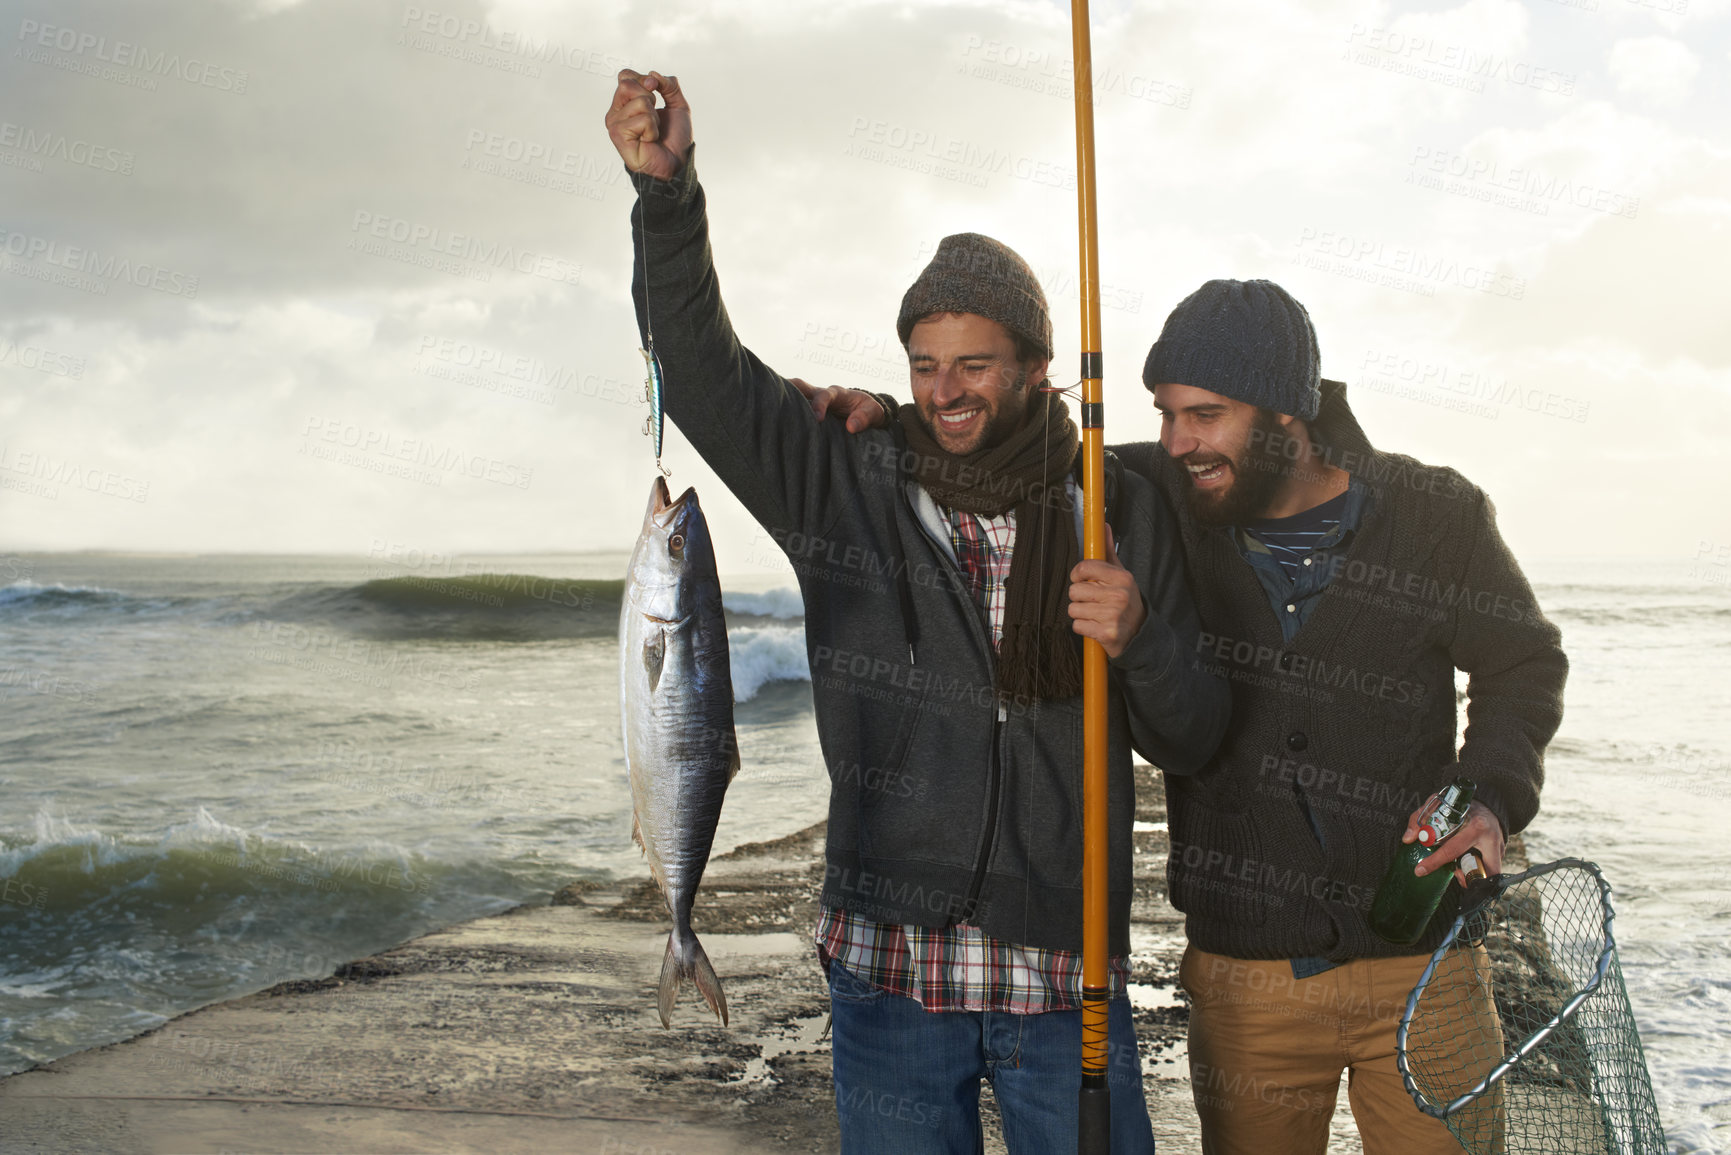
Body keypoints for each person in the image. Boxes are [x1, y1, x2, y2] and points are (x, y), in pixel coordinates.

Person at [605, 70, 1230, 1154]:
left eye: (976, 365)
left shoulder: (1118, 502)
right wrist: (667, 196)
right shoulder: (843, 477)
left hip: (1064, 968)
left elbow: (1195, 737)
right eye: (925, 365)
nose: (945, 390)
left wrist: (1143, 644)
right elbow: (701, 374)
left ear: (1036, 369)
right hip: (889, 968)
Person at [803, 278, 1567, 1154]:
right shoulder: (1151, 493)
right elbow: (1005, 443)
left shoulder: (1436, 514)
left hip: (1425, 961)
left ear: (1289, 413)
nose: (1177, 441)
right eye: (1164, 414)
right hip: (1248, 980)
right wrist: (889, 414)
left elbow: (1523, 663)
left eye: (1203, 414)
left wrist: (1492, 794)